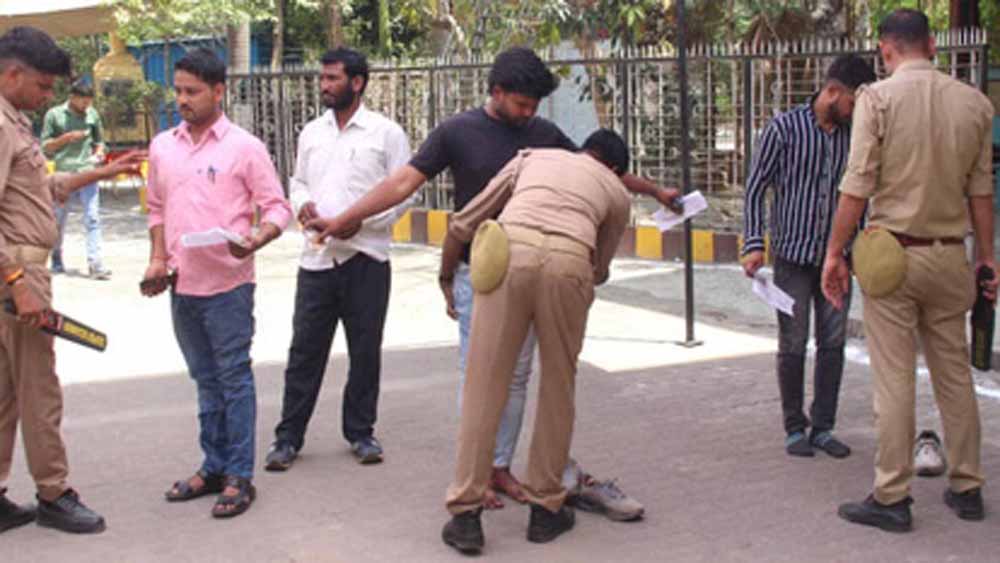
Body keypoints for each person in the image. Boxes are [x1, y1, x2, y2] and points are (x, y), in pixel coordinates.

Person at [306, 47, 673, 519]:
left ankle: (498, 466)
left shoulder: (542, 135)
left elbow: (596, 170)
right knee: (480, 377)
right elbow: (401, 185)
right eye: (521, 103)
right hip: (478, 270)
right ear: (496, 92)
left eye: (534, 105)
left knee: (516, 378)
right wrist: (344, 219)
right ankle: (473, 477)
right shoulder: (457, 131)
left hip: (528, 273)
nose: (529, 113)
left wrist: (656, 191)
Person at [822, 9, 996, 532]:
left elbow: (857, 185)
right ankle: (967, 486)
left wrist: (834, 253)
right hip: (951, 256)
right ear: (933, 45)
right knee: (954, 374)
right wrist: (987, 256)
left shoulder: (876, 99)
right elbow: (981, 192)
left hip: (893, 258)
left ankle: (892, 496)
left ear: (885, 50)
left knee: (894, 378)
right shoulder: (975, 104)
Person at [436, 130, 633, 554]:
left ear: (584, 149)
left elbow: (465, 222)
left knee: (484, 384)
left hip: (508, 253)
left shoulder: (531, 158)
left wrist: (446, 276)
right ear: (615, 168)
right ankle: (545, 510)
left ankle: (466, 515)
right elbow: (600, 268)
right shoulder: (616, 191)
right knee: (558, 386)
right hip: (570, 261)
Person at [0, 26, 143, 535]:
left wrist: (102, 174)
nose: (47, 97)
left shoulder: (14, 121)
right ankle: (54, 493)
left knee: (4, 393)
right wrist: (18, 282)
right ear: (11, 74)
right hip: (17, 272)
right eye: (41, 86)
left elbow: (40, 187)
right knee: (39, 390)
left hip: (17, 270)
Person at [140, 48, 292, 519]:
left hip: (228, 286)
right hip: (182, 285)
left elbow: (277, 208)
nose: (182, 99)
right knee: (205, 381)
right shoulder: (163, 146)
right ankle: (213, 466)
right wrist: (157, 260)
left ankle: (239, 475)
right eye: (178, 91)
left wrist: (256, 239)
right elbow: (157, 209)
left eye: (193, 91)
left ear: (219, 91)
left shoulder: (244, 147)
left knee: (233, 379)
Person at [264, 48, 413, 470]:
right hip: (316, 261)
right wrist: (303, 206)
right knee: (304, 353)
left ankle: (361, 433)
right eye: (323, 78)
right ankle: (287, 439)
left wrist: (359, 223)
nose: (324, 85)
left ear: (357, 82)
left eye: (333, 78)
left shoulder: (386, 134)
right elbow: (297, 181)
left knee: (365, 352)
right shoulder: (312, 132)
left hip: (366, 258)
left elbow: (405, 193)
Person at [741, 54, 876, 459]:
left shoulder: (854, 137)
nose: (855, 112)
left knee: (833, 341)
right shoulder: (783, 129)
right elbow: (755, 188)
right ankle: (794, 427)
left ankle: (823, 427)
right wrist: (753, 243)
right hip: (792, 259)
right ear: (832, 91)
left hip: (838, 259)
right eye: (852, 102)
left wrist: (859, 247)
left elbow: (861, 195)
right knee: (793, 341)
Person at [41, 79, 110, 279]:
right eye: (83, 101)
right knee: (58, 219)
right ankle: (56, 256)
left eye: (89, 102)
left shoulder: (92, 114)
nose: (86, 105)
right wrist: (65, 139)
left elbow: (100, 142)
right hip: (64, 174)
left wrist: (99, 152)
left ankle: (95, 264)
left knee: (92, 218)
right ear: (72, 97)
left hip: (87, 171)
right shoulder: (54, 115)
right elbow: (45, 146)